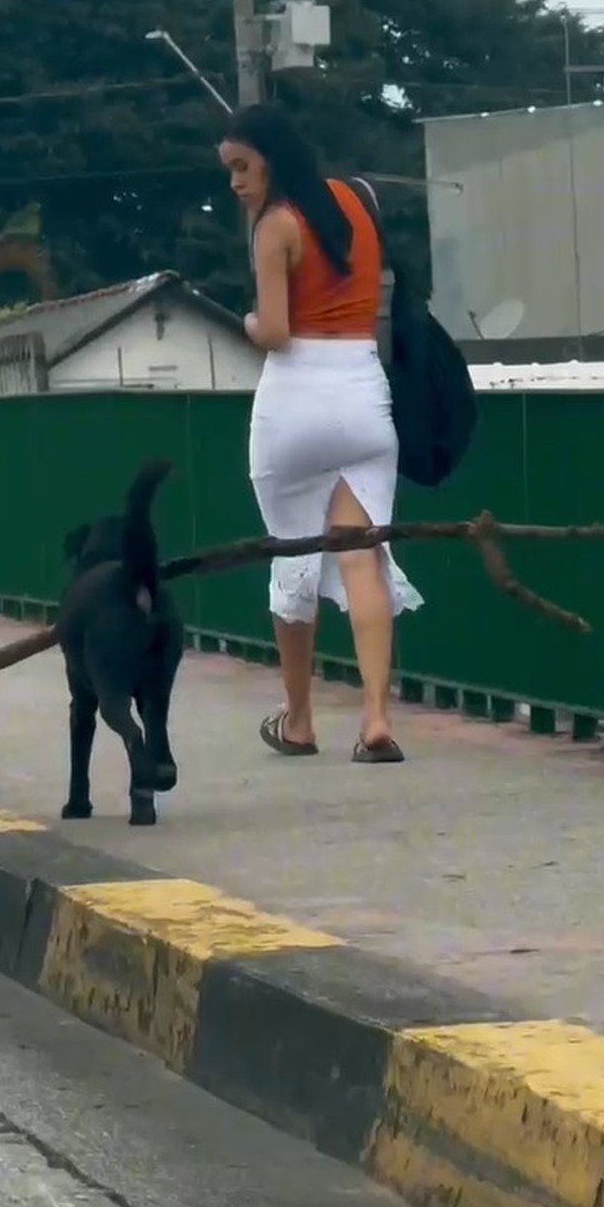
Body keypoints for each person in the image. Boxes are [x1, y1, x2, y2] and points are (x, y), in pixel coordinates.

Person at [217, 101, 424, 764]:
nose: (236, 183)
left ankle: (300, 720)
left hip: (296, 401)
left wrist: (248, 323)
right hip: (363, 396)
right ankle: (375, 721)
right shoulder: (355, 203)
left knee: (294, 557)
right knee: (362, 555)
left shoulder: (274, 226)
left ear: (271, 158)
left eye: (243, 167)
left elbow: (275, 332)